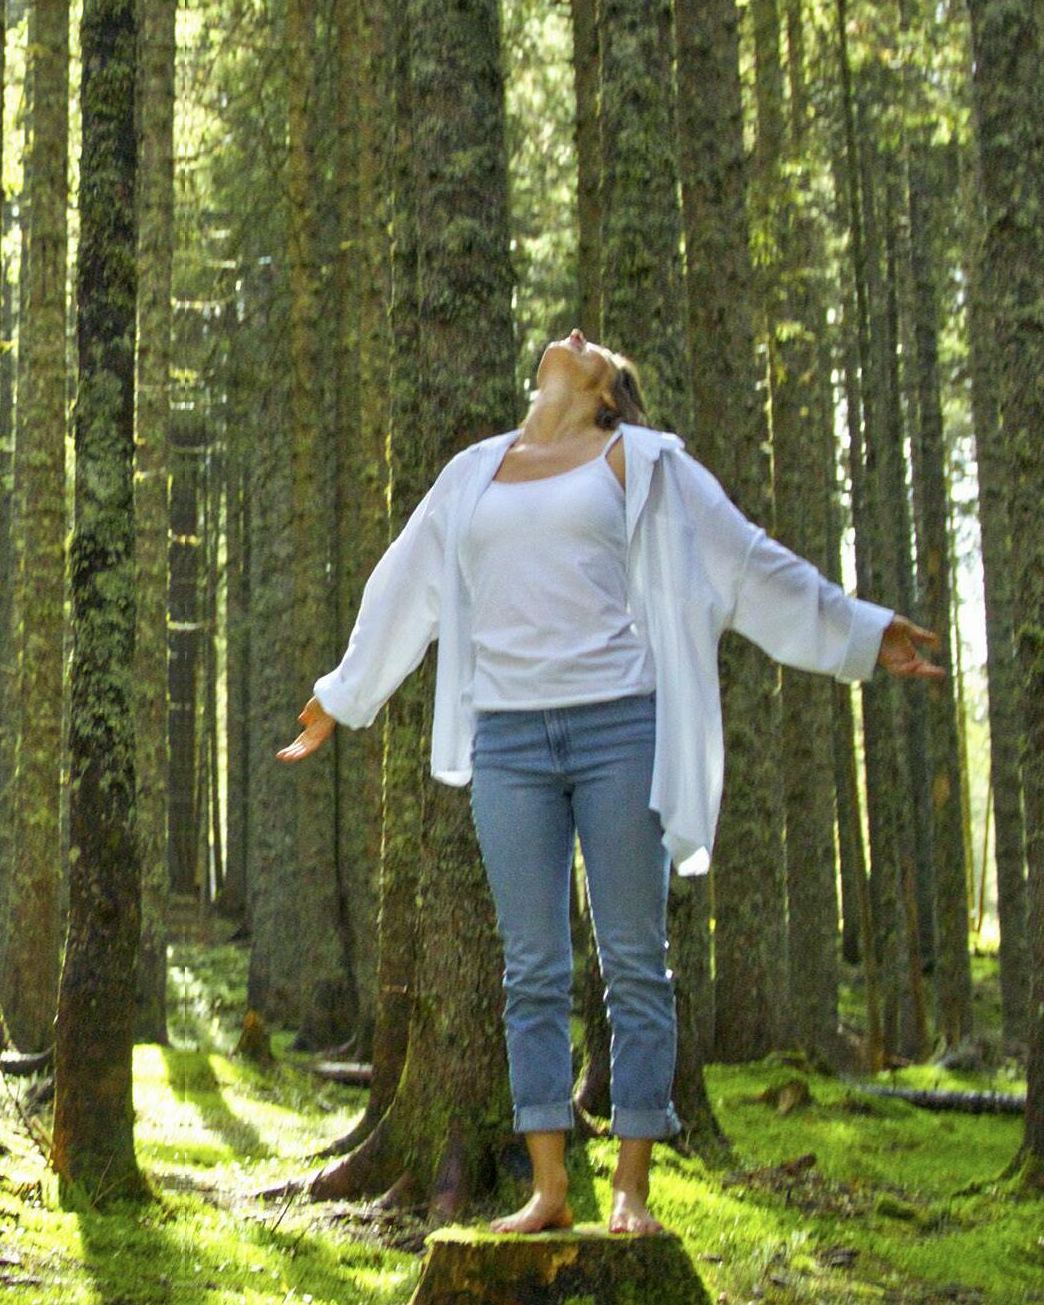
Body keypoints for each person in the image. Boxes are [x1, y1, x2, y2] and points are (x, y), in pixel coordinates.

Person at [280, 328, 945, 1236]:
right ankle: (549, 1188)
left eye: (597, 349)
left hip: (617, 730)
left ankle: (630, 1186)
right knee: (532, 968)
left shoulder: (639, 460)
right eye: (573, 337)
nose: (578, 336)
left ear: (605, 393)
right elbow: (405, 584)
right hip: (508, 741)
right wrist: (339, 696)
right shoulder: (472, 471)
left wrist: (864, 633)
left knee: (633, 960)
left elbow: (747, 564)